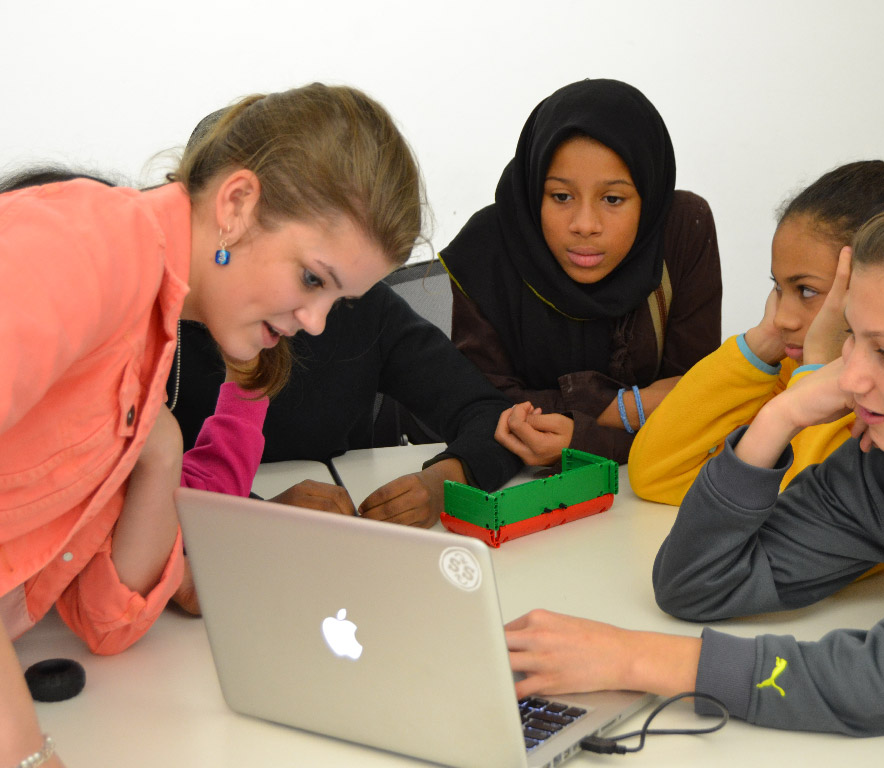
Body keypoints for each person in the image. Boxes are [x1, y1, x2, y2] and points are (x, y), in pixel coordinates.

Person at [0, 82, 422, 767]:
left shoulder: (151, 332)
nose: (316, 323)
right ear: (236, 205)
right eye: (313, 280)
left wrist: (161, 455)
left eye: (337, 301)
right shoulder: (88, 243)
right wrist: (24, 751)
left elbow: (105, 620)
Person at [506, 182, 884, 736]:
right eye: (851, 337)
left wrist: (634, 659)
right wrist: (780, 417)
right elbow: (697, 583)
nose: (849, 377)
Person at [169, 111, 522, 532]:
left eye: (339, 288)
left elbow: (490, 414)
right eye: (311, 277)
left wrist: (445, 482)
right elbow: (125, 490)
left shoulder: (359, 308)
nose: (314, 320)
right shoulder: (146, 324)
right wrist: (259, 516)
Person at [629, 148, 884, 504]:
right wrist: (760, 346)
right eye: (778, 287)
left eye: (806, 290)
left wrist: (817, 373)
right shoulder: (789, 374)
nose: (782, 318)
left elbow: (804, 519)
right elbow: (657, 474)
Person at [440, 78, 722, 466]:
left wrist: (585, 438)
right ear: (533, 190)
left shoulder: (679, 231)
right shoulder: (486, 250)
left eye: (613, 199)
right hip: (512, 484)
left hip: (646, 486)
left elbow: (698, 408)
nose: (585, 225)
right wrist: (630, 408)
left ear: (649, 195)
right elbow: (483, 409)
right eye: (561, 196)